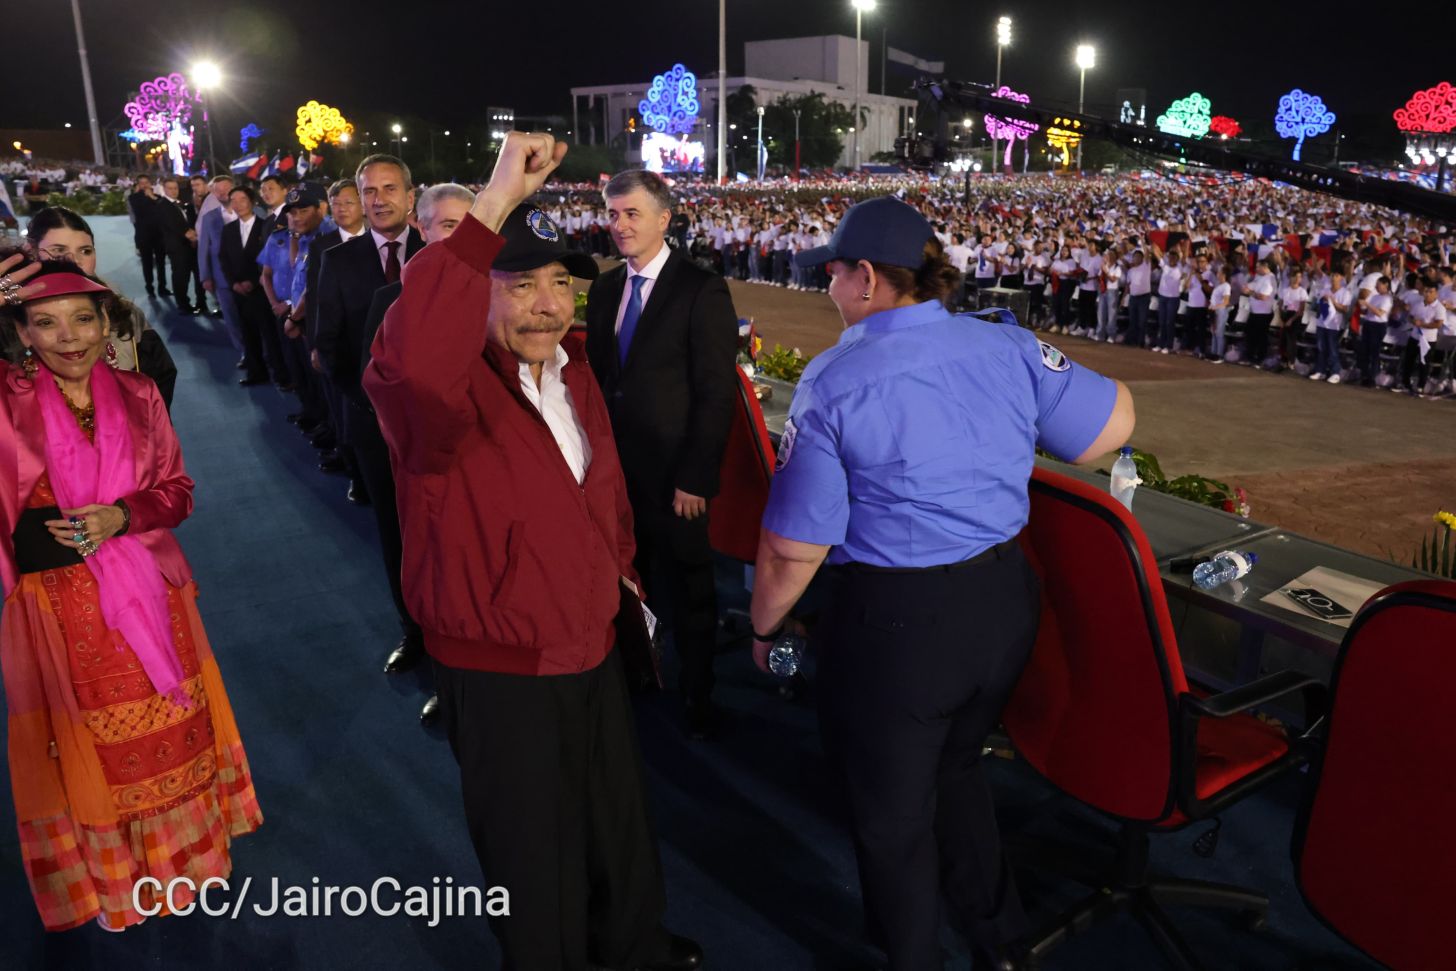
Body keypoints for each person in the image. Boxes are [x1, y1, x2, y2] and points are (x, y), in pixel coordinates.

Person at [747, 197, 1135, 971]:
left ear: (865, 278)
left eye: (831, 274)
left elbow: (794, 548)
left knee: (892, 819)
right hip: (1001, 606)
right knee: (958, 769)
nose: (828, 290)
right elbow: (1111, 428)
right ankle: (1001, 941)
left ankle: (914, 956)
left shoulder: (834, 378)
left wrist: (763, 630)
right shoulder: (1006, 343)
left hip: (899, 626)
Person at [363, 131, 702, 971]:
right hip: (503, 660)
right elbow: (411, 360)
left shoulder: (572, 369)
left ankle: (634, 946)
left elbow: (606, 489)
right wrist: (490, 210)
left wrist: (619, 574)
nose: (548, 304)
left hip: (590, 637)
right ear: (477, 293)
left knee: (615, 820)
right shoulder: (438, 403)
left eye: (560, 285)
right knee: (530, 850)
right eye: (521, 286)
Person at [0, 255, 262, 932]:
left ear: (105, 321)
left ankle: (186, 861)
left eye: (83, 318)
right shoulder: (8, 401)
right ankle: (117, 882)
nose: (69, 336)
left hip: (150, 592)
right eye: (46, 323)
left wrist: (122, 514)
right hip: (60, 610)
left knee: (174, 731)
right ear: (22, 333)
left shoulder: (139, 392)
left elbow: (176, 491)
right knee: (87, 747)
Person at [585, 169, 738, 739]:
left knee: (691, 590)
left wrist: (696, 477)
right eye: (614, 213)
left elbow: (716, 392)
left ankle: (699, 691)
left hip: (677, 480)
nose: (619, 225)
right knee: (627, 581)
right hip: (615, 474)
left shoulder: (702, 288)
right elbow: (601, 382)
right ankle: (641, 672)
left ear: (664, 219)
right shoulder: (604, 289)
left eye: (631, 214)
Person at [356, 181, 475, 725]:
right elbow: (373, 388)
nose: (459, 238)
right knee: (413, 561)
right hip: (407, 462)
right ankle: (422, 646)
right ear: (421, 230)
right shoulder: (389, 301)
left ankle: (464, 680)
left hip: (472, 467)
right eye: (448, 226)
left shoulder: (495, 292)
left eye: (468, 227)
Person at [315, 154, 426, 665]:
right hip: (372, 425)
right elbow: (330, 348)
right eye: (369, 191)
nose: (378, 199)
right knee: (396, 532)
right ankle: (416, 634)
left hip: (442, 428)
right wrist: (375, 405)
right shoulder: (338, 260)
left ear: (409, 195)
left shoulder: (437, 249)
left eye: (388, 189)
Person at [23, 207, 178, 407]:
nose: (74, 262)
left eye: (85, 251)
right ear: (31, 252)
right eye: (58, 251)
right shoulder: (13, 318)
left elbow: (159, 380)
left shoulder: (125, 313)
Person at [300, 178, 367, 482]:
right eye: (336, 203)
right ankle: (354, 472)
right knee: (342, 413)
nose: (341, 209)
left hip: (375, 345)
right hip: (339, 348)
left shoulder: (381, 240)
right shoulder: (321, 246)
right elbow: (315, 297)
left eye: (348, 202)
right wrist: (316, 344)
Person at [219, 185, 284, 387]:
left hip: (262, 291)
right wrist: (234, 283)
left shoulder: (264, 226)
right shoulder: (228, 229)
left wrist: (255, 281)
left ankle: (281, 375)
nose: (238, 204)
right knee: (248, 333)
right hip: (239, 291)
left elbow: (271, 260)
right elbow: (223, 259)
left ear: (252, 202)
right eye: (234, 200)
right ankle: (257, 373)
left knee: (270, 334)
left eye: (242, 199)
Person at [126, 175, 167, 298]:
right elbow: (139, 211)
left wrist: (152, 197)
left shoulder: (158, 197)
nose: (145, 185)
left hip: (159, 235)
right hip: (144, 236)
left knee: (161, 262)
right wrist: (147, 197)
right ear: (138, 185)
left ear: (150, 184)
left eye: (146, 182)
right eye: (142, 183)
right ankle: (149, 287)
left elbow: (162, 209)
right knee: (147, 263)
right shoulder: (133, 198)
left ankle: (162, 287)